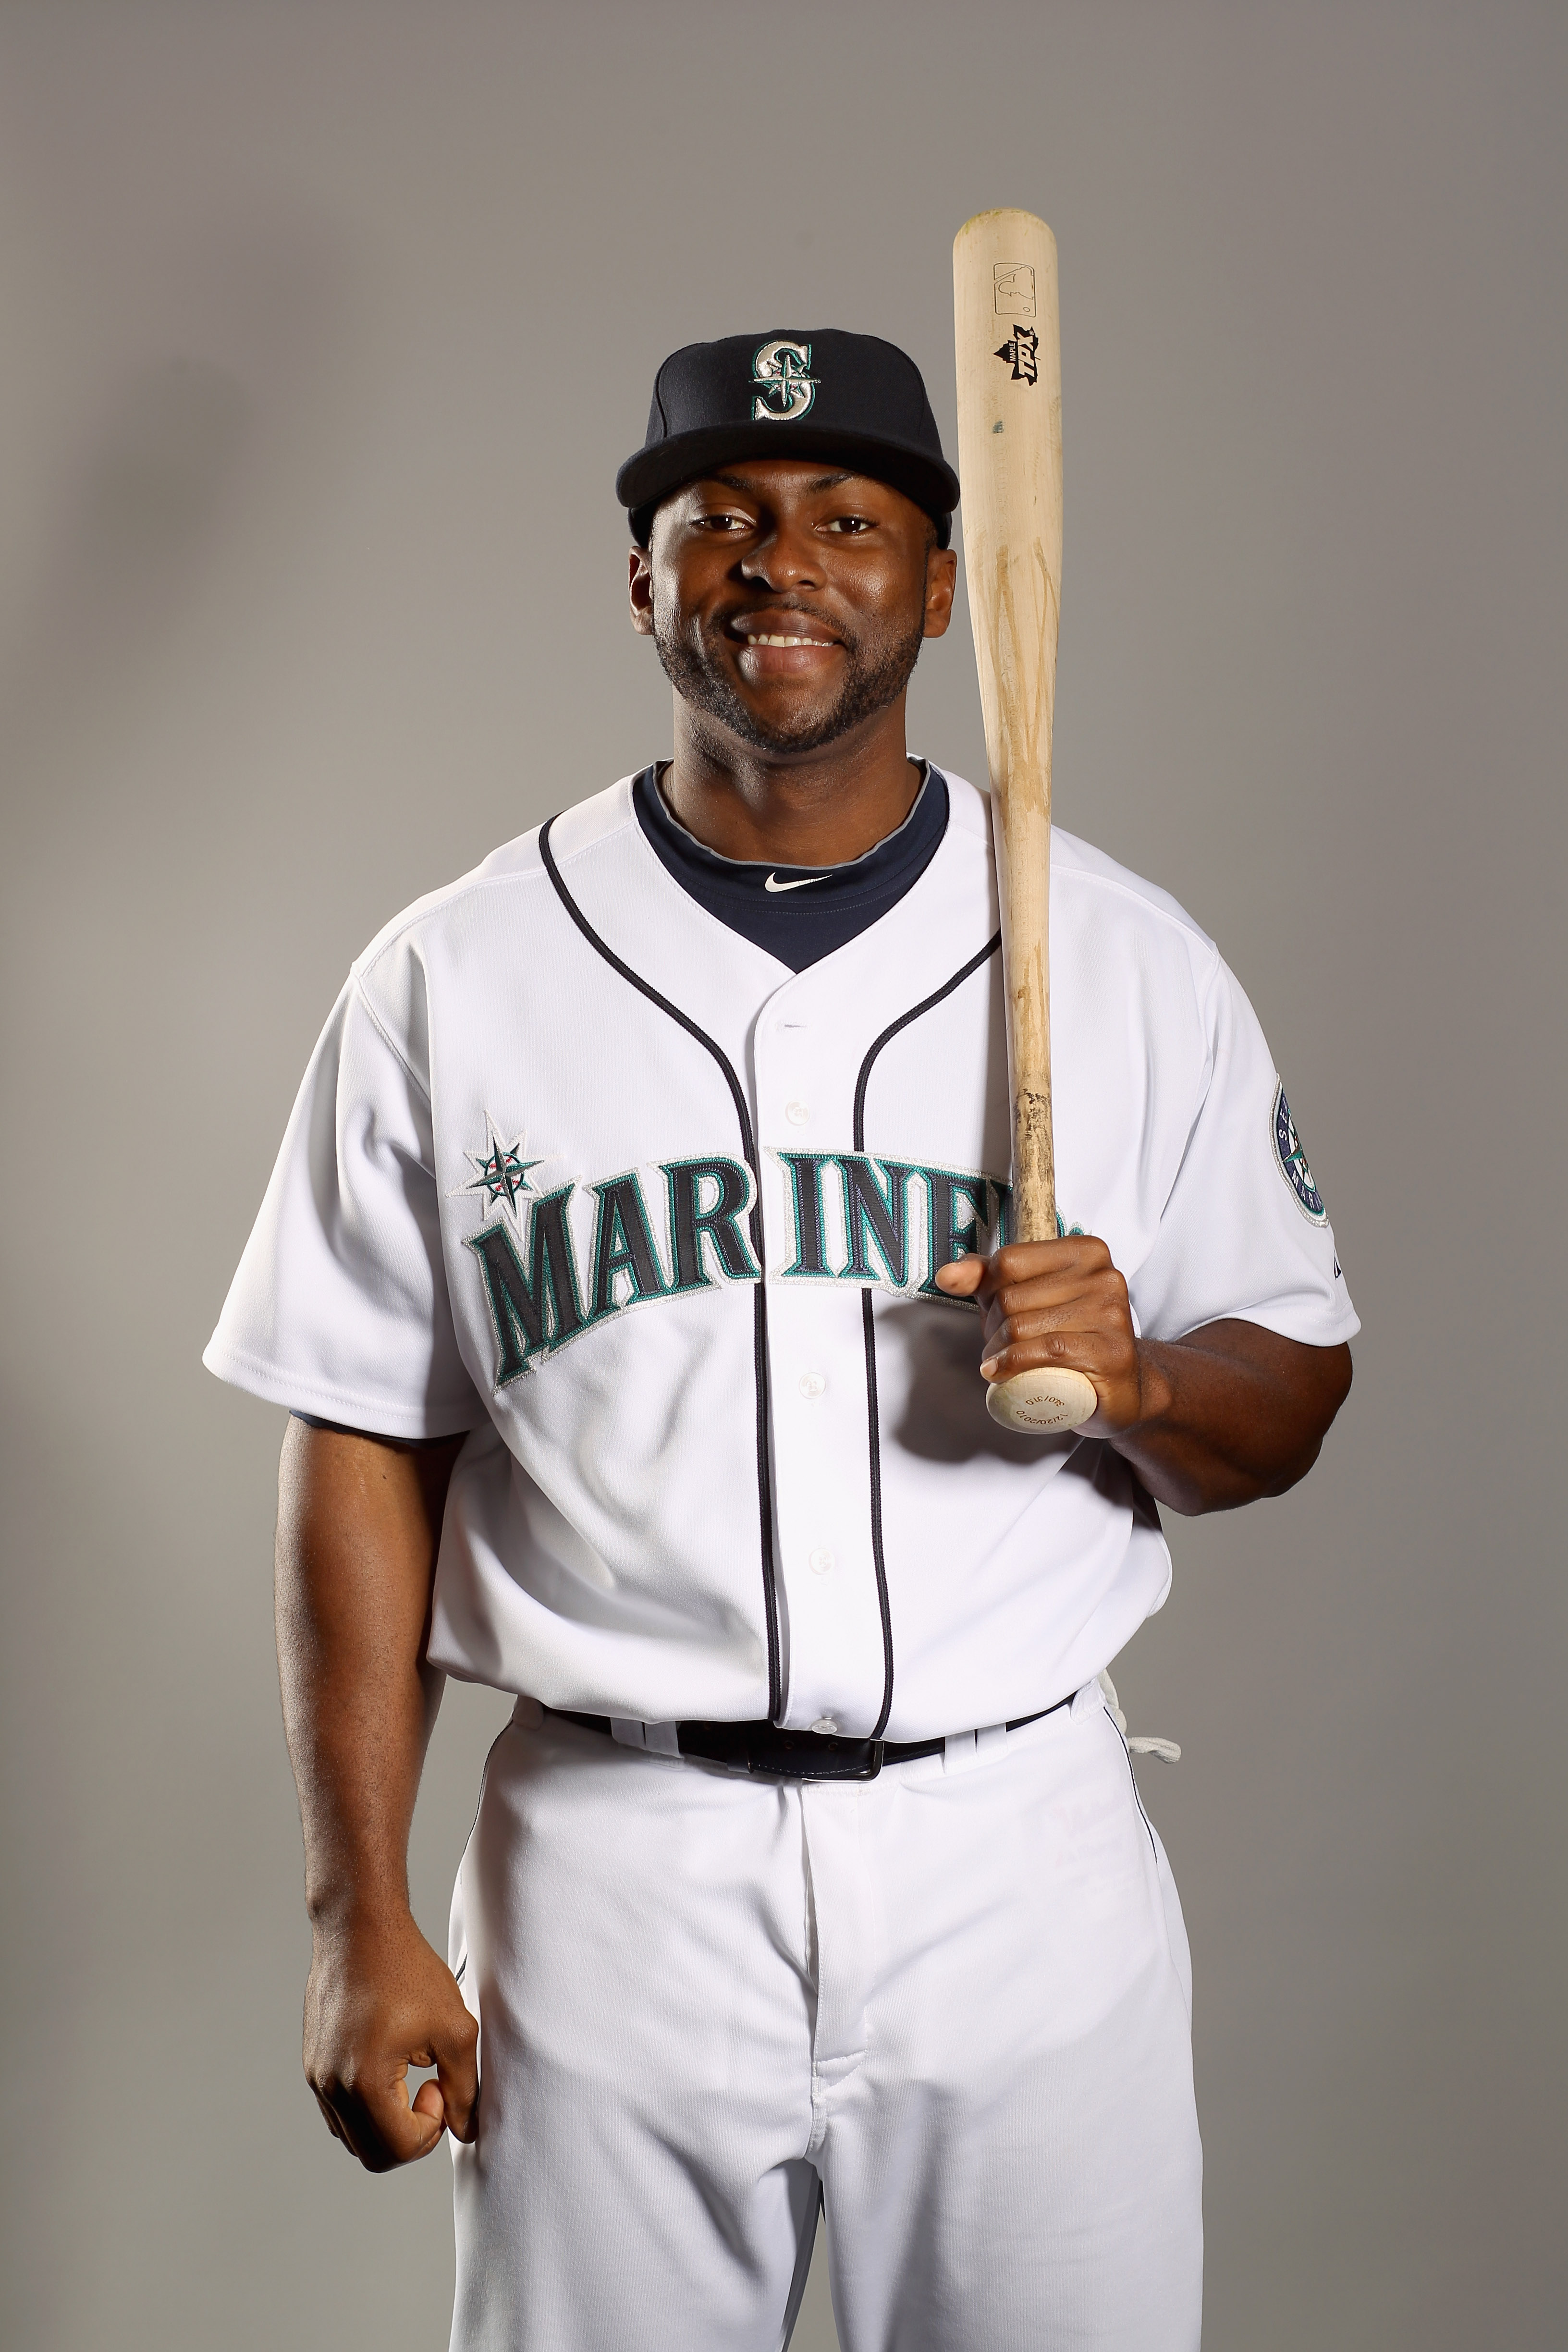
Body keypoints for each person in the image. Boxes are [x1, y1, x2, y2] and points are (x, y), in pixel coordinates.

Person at [207, 328, 1356, 2352]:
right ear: (640, 580)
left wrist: (1152, 1377)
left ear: (938, 578)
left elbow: (1295, 1400)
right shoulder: (453, 978)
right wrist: (353, 1910)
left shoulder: (1126, 958)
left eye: (847, 519)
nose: (776, 565)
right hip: (609, 1863)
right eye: (714, 521)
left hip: (1015, 1854)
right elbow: (366, 1442)